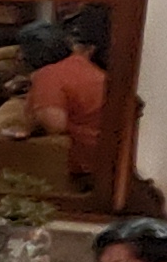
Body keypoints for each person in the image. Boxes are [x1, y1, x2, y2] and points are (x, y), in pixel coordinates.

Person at [25, 23, 110, 171]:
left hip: (77, 164)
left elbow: (54, 124)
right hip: (107, 159)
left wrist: (29, 128)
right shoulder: (93, 71)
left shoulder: (50, 75)